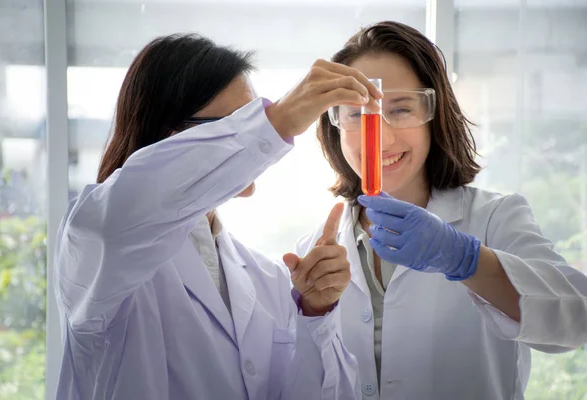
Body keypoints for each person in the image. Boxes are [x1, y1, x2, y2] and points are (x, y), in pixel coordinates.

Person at [53, 33, 384, 400]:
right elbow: (122, 214)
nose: (248, 138)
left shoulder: (267, 278)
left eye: (249, 118)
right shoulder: (96, 244)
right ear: (170, 137)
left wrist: (315, 313)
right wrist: (275, 122)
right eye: (232, 125)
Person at [293, 21, 587, 399]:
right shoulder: (311, 250)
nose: (379, 136)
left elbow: (576, 320)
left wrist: (464, 258)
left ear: (436, 114)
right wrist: (311, 316)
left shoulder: (495, 217)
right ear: (334, 125)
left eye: (400, 109)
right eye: (356, 113)